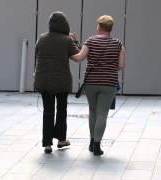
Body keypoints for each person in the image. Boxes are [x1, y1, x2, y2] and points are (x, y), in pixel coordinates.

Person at [71, 15, 126, 156]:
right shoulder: (118, 44)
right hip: (109, 83)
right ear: (111, 28)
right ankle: (97, 145)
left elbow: (79, 58)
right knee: (102, 114)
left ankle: (91, 142)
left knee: (93, 112)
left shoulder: (90, 41)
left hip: (91, 83)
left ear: (99, 27)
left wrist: (71, 45)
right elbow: (121, 66)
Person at [34, 11, 80, 153]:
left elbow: (37, 55)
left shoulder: (41, 38)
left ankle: (47, 144)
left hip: (44, 80)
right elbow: (77, 57)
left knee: (48, 111)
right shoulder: (67, 40)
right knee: (61, 110)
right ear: (64, 24)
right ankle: (61, 140)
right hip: (61, 81)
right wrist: (75, 41)